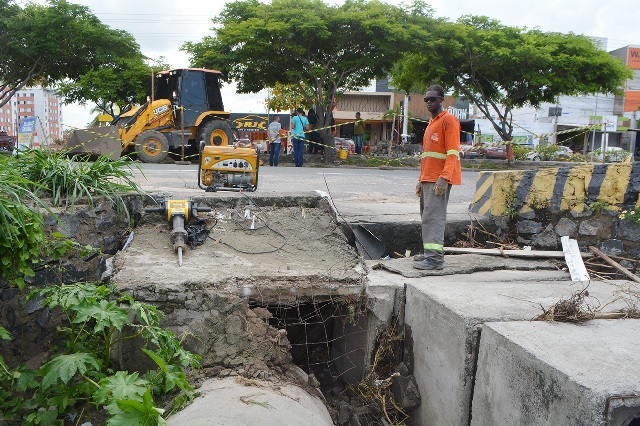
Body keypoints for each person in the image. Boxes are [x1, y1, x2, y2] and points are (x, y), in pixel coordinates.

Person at [414, 85, 461, 271]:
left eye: (432, 99)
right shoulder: (432, 123)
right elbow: (428, 156)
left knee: (434, 217)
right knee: (427, 217)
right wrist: (421, 178)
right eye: (426, 99)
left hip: (438, 179)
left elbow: (452, 153)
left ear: (442, 99)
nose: (429, 102)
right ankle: (429, 254)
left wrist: (444, 178)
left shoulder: (449, 120)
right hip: (428, 177)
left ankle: (435, 259)